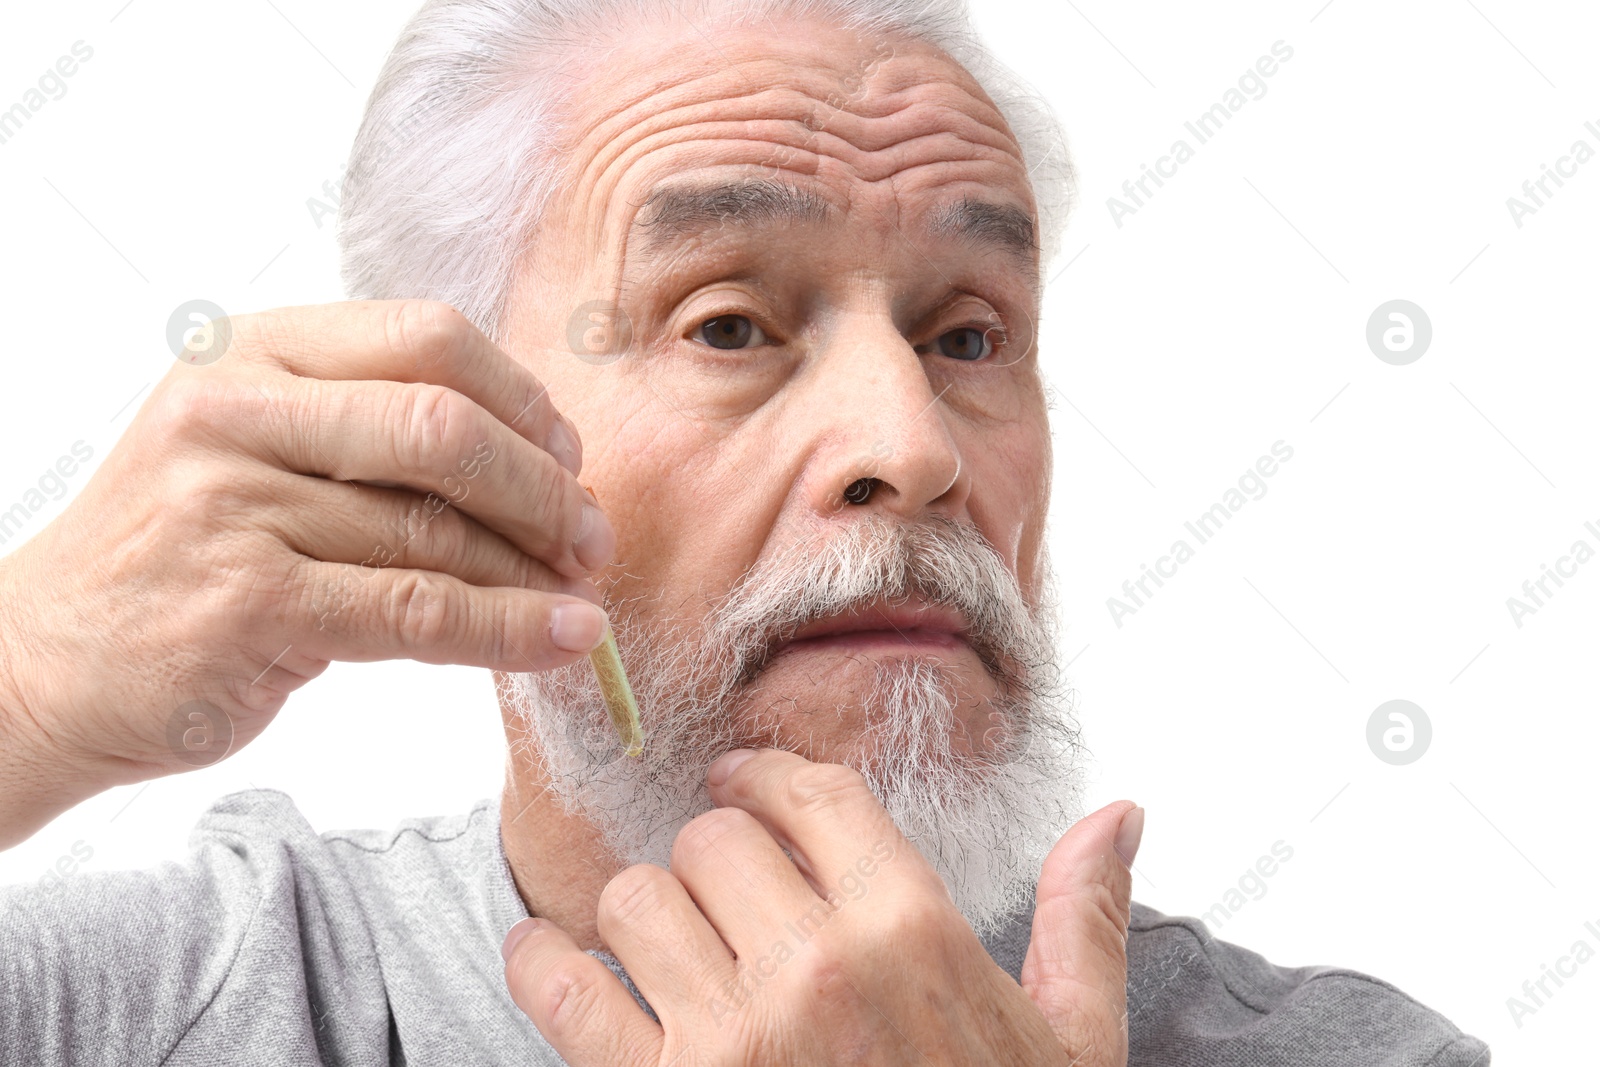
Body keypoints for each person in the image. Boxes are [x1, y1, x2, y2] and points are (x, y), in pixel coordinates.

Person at [0, 0, 1488, 1063]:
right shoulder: (150, 1008)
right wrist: (21, 689)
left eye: (971, 337)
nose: (910, 447)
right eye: (729, 322)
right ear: (438, 432)